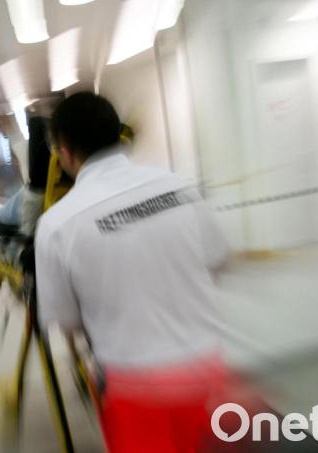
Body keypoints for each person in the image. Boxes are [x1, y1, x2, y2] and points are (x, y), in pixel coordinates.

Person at [35, 92, 230, 452]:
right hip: (210, 372)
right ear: (117, 133)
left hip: (134, 389)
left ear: (63, 150)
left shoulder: (56, 225)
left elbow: (65, 320)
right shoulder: (178, 186)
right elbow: (218, 261)